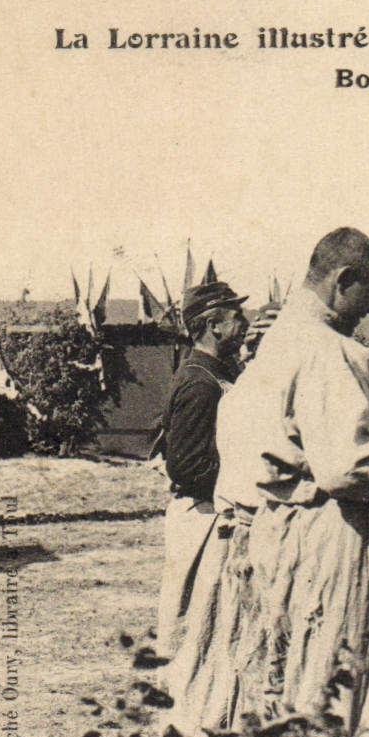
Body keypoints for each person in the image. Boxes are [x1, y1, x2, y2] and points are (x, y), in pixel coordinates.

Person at [168, 228, 369, 737]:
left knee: (285, 687)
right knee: (329, 691)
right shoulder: (328, 351)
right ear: (341, 280)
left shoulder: (276, 341)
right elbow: (345, 468)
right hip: (329, 535)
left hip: (278, 531)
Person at [156, 280, 247, 654]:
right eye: (236, 315)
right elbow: (186, 465)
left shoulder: (216, 374)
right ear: (215, 325)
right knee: (194, 625)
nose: (244, 322)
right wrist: (242, 478)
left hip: (213, 512)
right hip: (202, 517)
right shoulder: (200, 382)